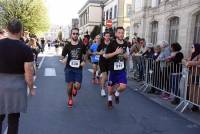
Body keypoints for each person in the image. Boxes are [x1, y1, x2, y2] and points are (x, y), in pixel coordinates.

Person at [0, 19, 35, 134]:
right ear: (21, 31)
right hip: (17, 88)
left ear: (7, 28)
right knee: (13, 120)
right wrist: (31, 88)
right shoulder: (26, 49)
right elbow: (28, 74)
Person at [104, 27, 128, 108]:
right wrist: (115, 52)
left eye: (122, 33)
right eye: (119, 32)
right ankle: (110, 100)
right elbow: (105, 56)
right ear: (116, 34)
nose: (121, 34)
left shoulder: (125, 43)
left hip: (121, 69)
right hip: (113, 70)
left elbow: (127, 55)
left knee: (123, 86)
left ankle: (117, 93)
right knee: (110, 89)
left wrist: (125, 56)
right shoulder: (112, 44)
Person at [61, 28, 86, 108]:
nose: (75, 35)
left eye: (76, 34)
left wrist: (84, 61)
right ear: (71, 35)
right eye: (73, 33)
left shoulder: (82, 45)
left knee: (78, 86)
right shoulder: (67, 45)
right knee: (69, 85)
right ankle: (70, 99)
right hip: (69, 68)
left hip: (78, 68)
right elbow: (62, 56)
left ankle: (75, 88)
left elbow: (85, 55)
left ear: (78, 35)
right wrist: (63, 59)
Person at [183, 43, 200, 112]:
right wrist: (188, 62)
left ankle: (196, 105)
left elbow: (198, 63)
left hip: (197, 74)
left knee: (196, 90)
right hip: (192, 74)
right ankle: (193, 104)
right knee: (191, 89)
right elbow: (184, 60)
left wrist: (189, 63)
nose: (191, 48)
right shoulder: (193, 54)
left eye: (193, 47)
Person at [97, 31, 111, 97]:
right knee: (104, 76)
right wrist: (101, 53)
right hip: (102, 61)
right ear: (104, 37)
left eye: (108, 36)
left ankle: (99, 74)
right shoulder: (101, 44)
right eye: (106, 36)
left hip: (110, 62)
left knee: (107, 78)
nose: (107, 37)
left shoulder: (112, 44)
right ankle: (102, 90)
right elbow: (97, 52)